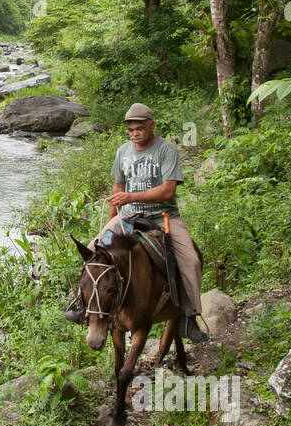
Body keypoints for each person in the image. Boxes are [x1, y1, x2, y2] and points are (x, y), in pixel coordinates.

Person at [66, 103, 209, 344]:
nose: (135, 134)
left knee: (191, 260)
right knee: (91, 254)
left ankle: (190, 315)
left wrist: (131, 197)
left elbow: (168, 190)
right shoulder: (123, 151)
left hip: (163, 217)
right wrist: (111, 221)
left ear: (152, 125)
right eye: (131, 130)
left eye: (140, 128)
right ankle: (80, 306)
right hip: (128, 216)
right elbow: (117, 188)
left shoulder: (166, 151)